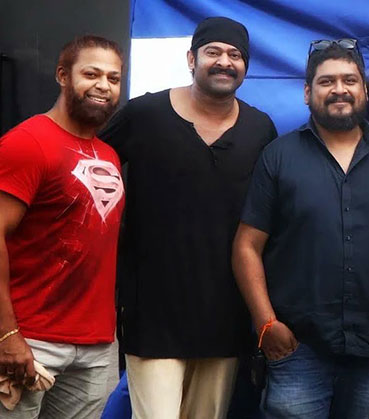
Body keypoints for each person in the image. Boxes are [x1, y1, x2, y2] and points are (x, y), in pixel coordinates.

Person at [231, 38, 369, 419]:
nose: (339, 89)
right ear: (307, 93)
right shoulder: (279, 156)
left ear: (365, 90)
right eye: (326, 81)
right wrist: (266, 323)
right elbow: (246, 246)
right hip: (297, 349)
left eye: (349, 80)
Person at [98, 17, 277, 418]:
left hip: (225, 315)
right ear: (191, 58)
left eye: (235, 55)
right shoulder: (145, 114)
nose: (224, 62)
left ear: (246, 67)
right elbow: (85, 158)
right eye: (213, 52)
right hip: (152, 312)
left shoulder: (259, 129)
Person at [0, 35, 124, 417]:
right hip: (29, 339)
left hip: (96, 344)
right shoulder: (27, 142)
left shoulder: (109, 154)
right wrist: (6, 335)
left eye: (113, 78)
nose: (103, 85)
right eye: (91, 74)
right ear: (62, 76)